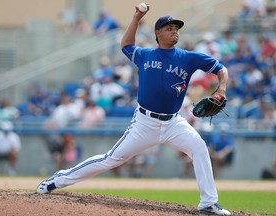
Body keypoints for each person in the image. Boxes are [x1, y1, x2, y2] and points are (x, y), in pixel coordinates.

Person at [37, 3, 231, 215]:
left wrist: (221, 89)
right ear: (158, 33)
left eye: (176, 28)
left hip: (174, 123)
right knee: (111, 159)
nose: (174, 31)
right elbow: (126, 45)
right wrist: (137, 18)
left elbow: (222, 69)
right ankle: (58, 180)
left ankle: (208, 203)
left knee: (199, 148)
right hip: (145, 123)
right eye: (169, 28)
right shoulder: (145, 55)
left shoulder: (189, 57)